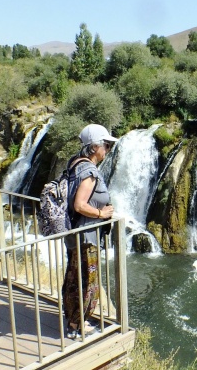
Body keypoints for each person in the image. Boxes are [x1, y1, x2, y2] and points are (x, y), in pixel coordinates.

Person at [62, 124, 117, 339]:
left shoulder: (75, 163)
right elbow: (79, 204)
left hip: (75, 232)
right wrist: (101, 214)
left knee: (75, 277)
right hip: (86, 235)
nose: (108, 150)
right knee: (87, 281)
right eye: (107, 145)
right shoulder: (89, 171)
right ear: (95, 147)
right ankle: (77, 326)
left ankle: (73, 320)